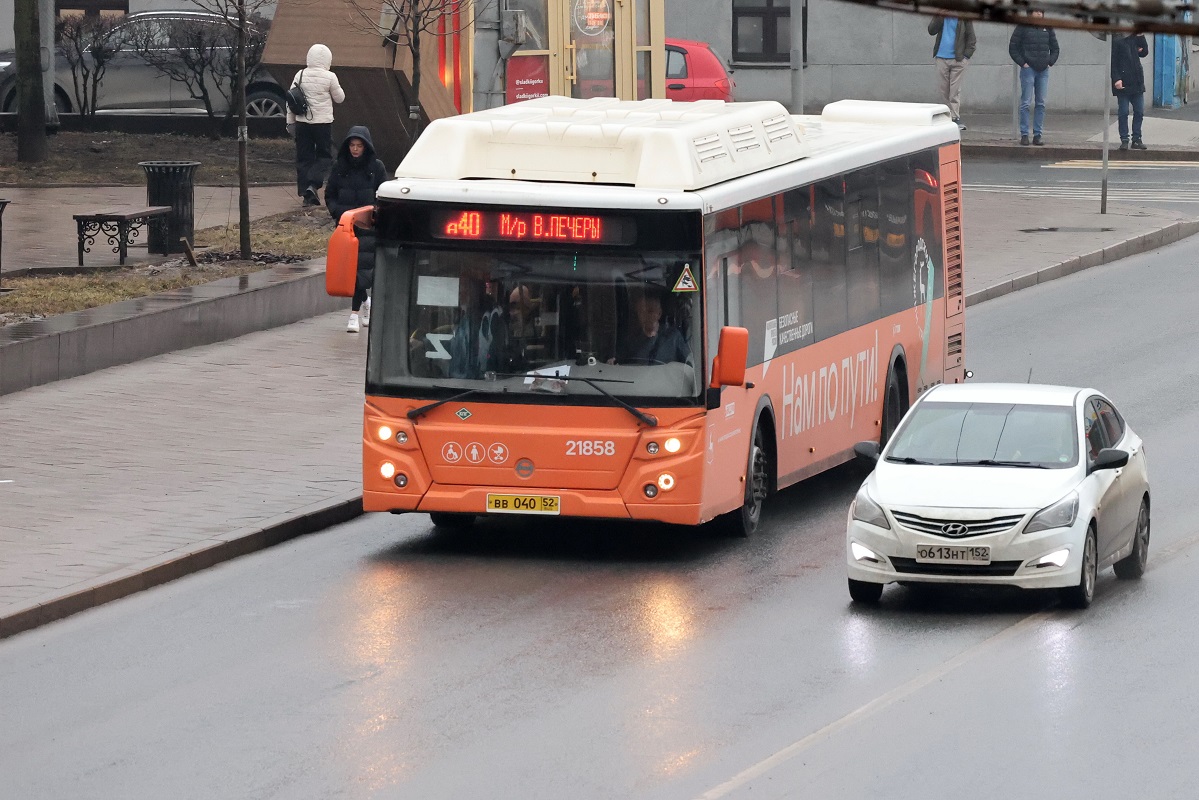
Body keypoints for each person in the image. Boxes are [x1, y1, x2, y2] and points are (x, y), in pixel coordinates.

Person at [325, 126, 389, 333]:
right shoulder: (339, 167)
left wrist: (373, 216)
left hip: (367, 227)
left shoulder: (376, 168)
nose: (355, 149)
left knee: (360, 270)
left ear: (366, 147)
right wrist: (337, 212)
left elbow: (383, 195)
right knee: (349, 269)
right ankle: (365, 302)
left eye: (359, 146)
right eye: (352, 145)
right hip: (345, 226)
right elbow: (330, 194)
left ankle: (353, 315)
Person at [286, 43, 345, 207]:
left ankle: (306, 194)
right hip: (322, 124)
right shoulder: (330, 76)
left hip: (302, 123)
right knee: (324, 156)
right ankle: (313, 184)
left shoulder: (301, 74)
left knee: (304, 157)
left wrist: (290, 121)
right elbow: (340, 98)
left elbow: (291, 98)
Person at [1008, 11, 1059, 146]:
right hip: (1028, 69)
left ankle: (1038, 135)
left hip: (1043, 70)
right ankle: (1024, 135)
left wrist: (1050, 62)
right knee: (1025, 102)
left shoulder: (1047, 27)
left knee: (1041, 103)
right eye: (1036, 12)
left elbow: (1055, 48)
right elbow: (1013, 47)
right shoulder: (1023, 26)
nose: (1038, 14)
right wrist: (1023, 63)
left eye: (1040, 12)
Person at [612, 288, 690, 365]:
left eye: (650, 311)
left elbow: (688, 365)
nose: (646, 315)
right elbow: (620, 363)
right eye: (642, 311)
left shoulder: (674, 337)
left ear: (659, 313)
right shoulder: (631, 339)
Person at [928, 16, 976, 130]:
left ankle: (955, 117)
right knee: (944, 89)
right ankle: (946, 116)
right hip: (941, 57)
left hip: (958, 59)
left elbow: (971, 38)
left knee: (954, 90)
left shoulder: (964, 17)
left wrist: (966, 57)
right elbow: (931, 31)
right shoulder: (940, 15)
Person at [1111, 32, 1150, 151]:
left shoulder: (1135, 38)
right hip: (1123, 84)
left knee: (1139, 111)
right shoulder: (1117, 39)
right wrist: (1117, 79)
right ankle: (1124, 139)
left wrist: (1141, 36)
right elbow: (1113, 62)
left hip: (1137, 82)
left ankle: (1137, 139)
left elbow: (1144, 52)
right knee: (1123, 112)